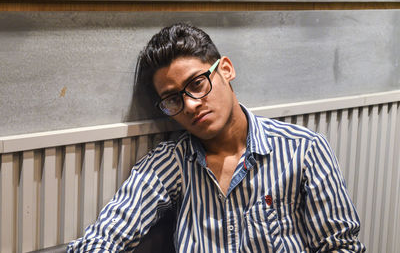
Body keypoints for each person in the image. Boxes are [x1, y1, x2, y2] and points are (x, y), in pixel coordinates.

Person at [68, 23, 366, 252]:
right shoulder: (171, 163)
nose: (190, 105)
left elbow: (341, 245)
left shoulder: (303, 150)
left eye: (197, 84)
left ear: (225, 69)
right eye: (173, 99)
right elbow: (103, 239)